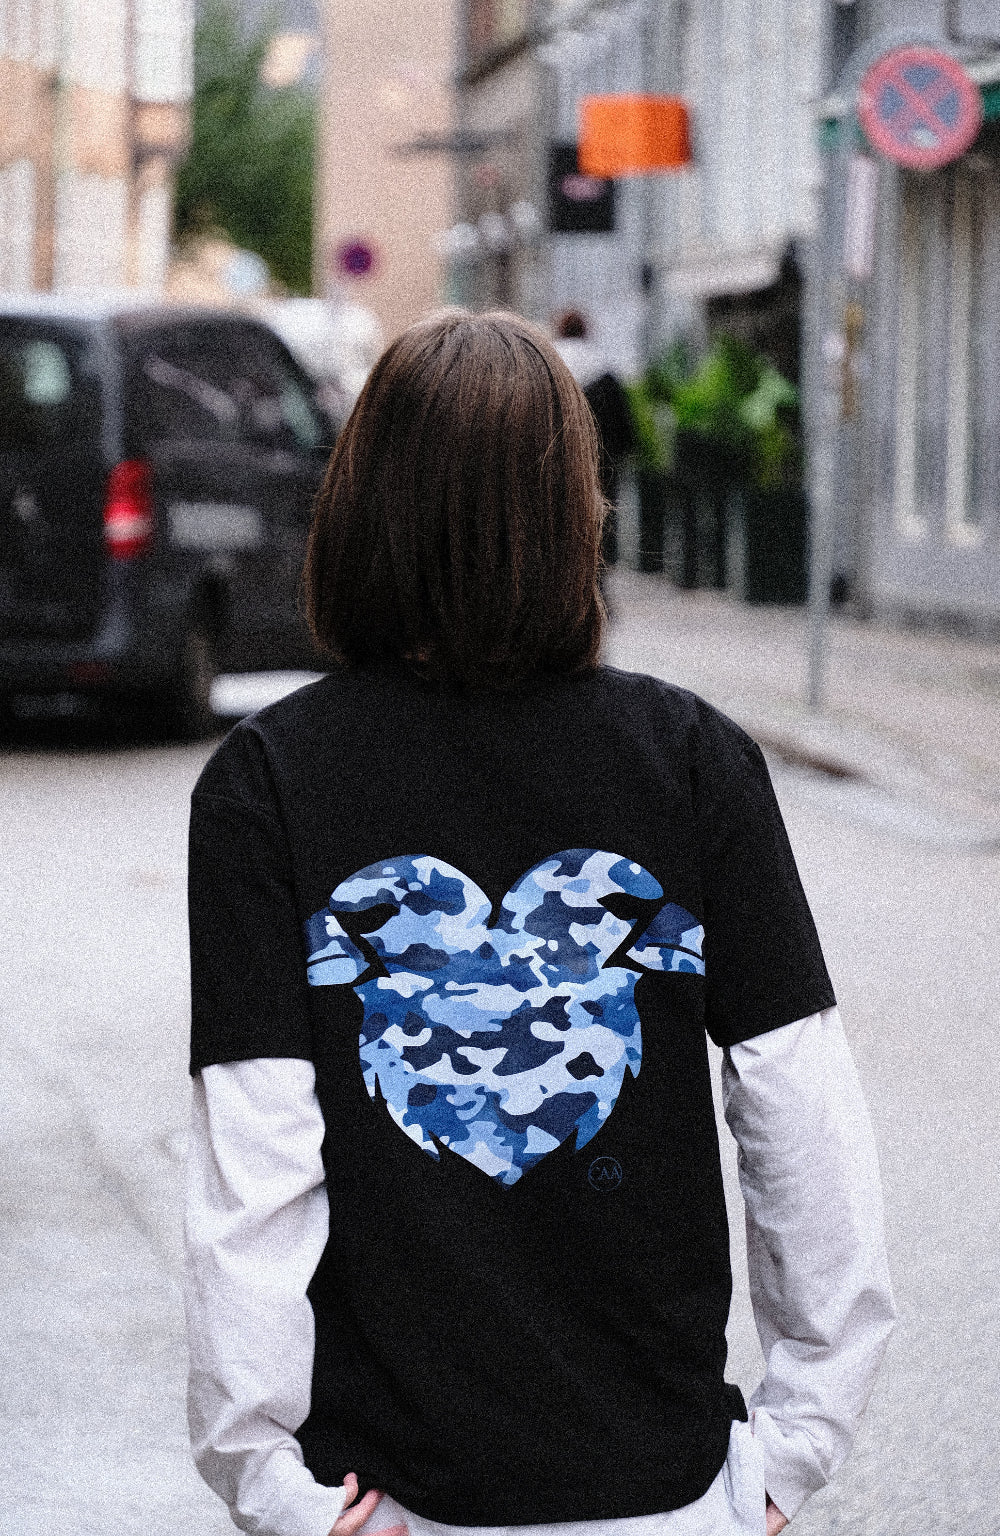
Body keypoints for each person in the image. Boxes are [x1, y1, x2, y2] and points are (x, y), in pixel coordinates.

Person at [184, 309, 895, 1536]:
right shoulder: (691, 762)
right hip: (660, 1490)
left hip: (384, 1501)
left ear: (359, 509)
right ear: (576, 513)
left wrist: (270, 1484)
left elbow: (255, 1166)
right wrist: (795, 1444)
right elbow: (802, 1109)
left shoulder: (268, 784)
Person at [551, 308, 635, 565]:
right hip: (601, 465)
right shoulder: (604, 372)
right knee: (601, 521)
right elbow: (624, 427)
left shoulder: (549, 367)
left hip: (558, 464)